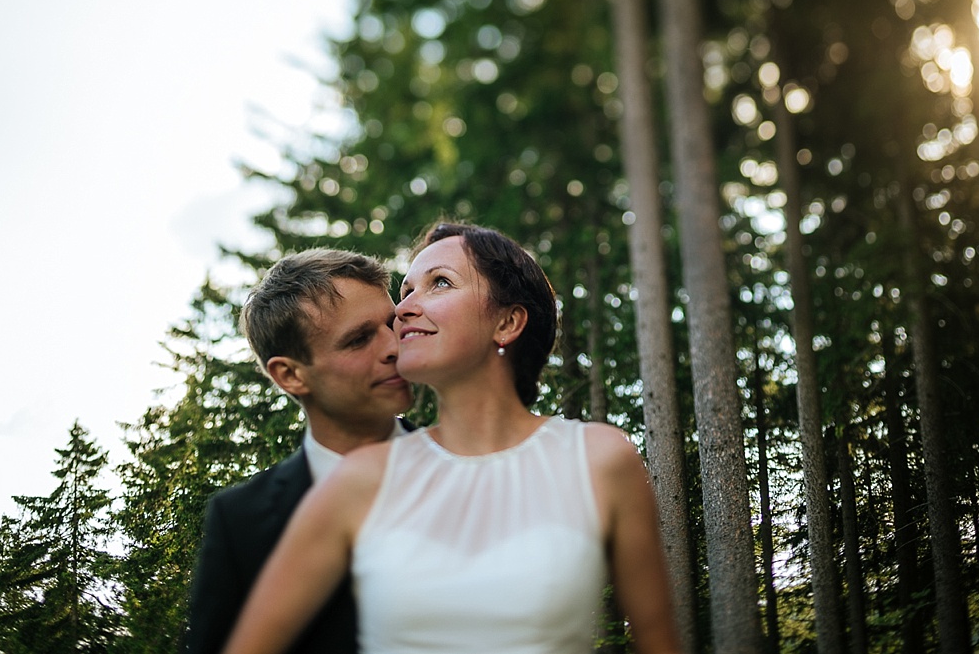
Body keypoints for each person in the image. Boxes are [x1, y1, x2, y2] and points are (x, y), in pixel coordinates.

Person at [221, 223, 681, 654]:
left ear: (507, 323)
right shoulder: (361, 479)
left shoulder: (600, 459)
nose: (402, 310)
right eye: (405, 291)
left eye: (439, 282)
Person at [186, 249, 415, 654]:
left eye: (391, 322)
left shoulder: (466, 464)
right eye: (359, 339)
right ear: (290, 375)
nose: (394, 346)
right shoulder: (240, 523)